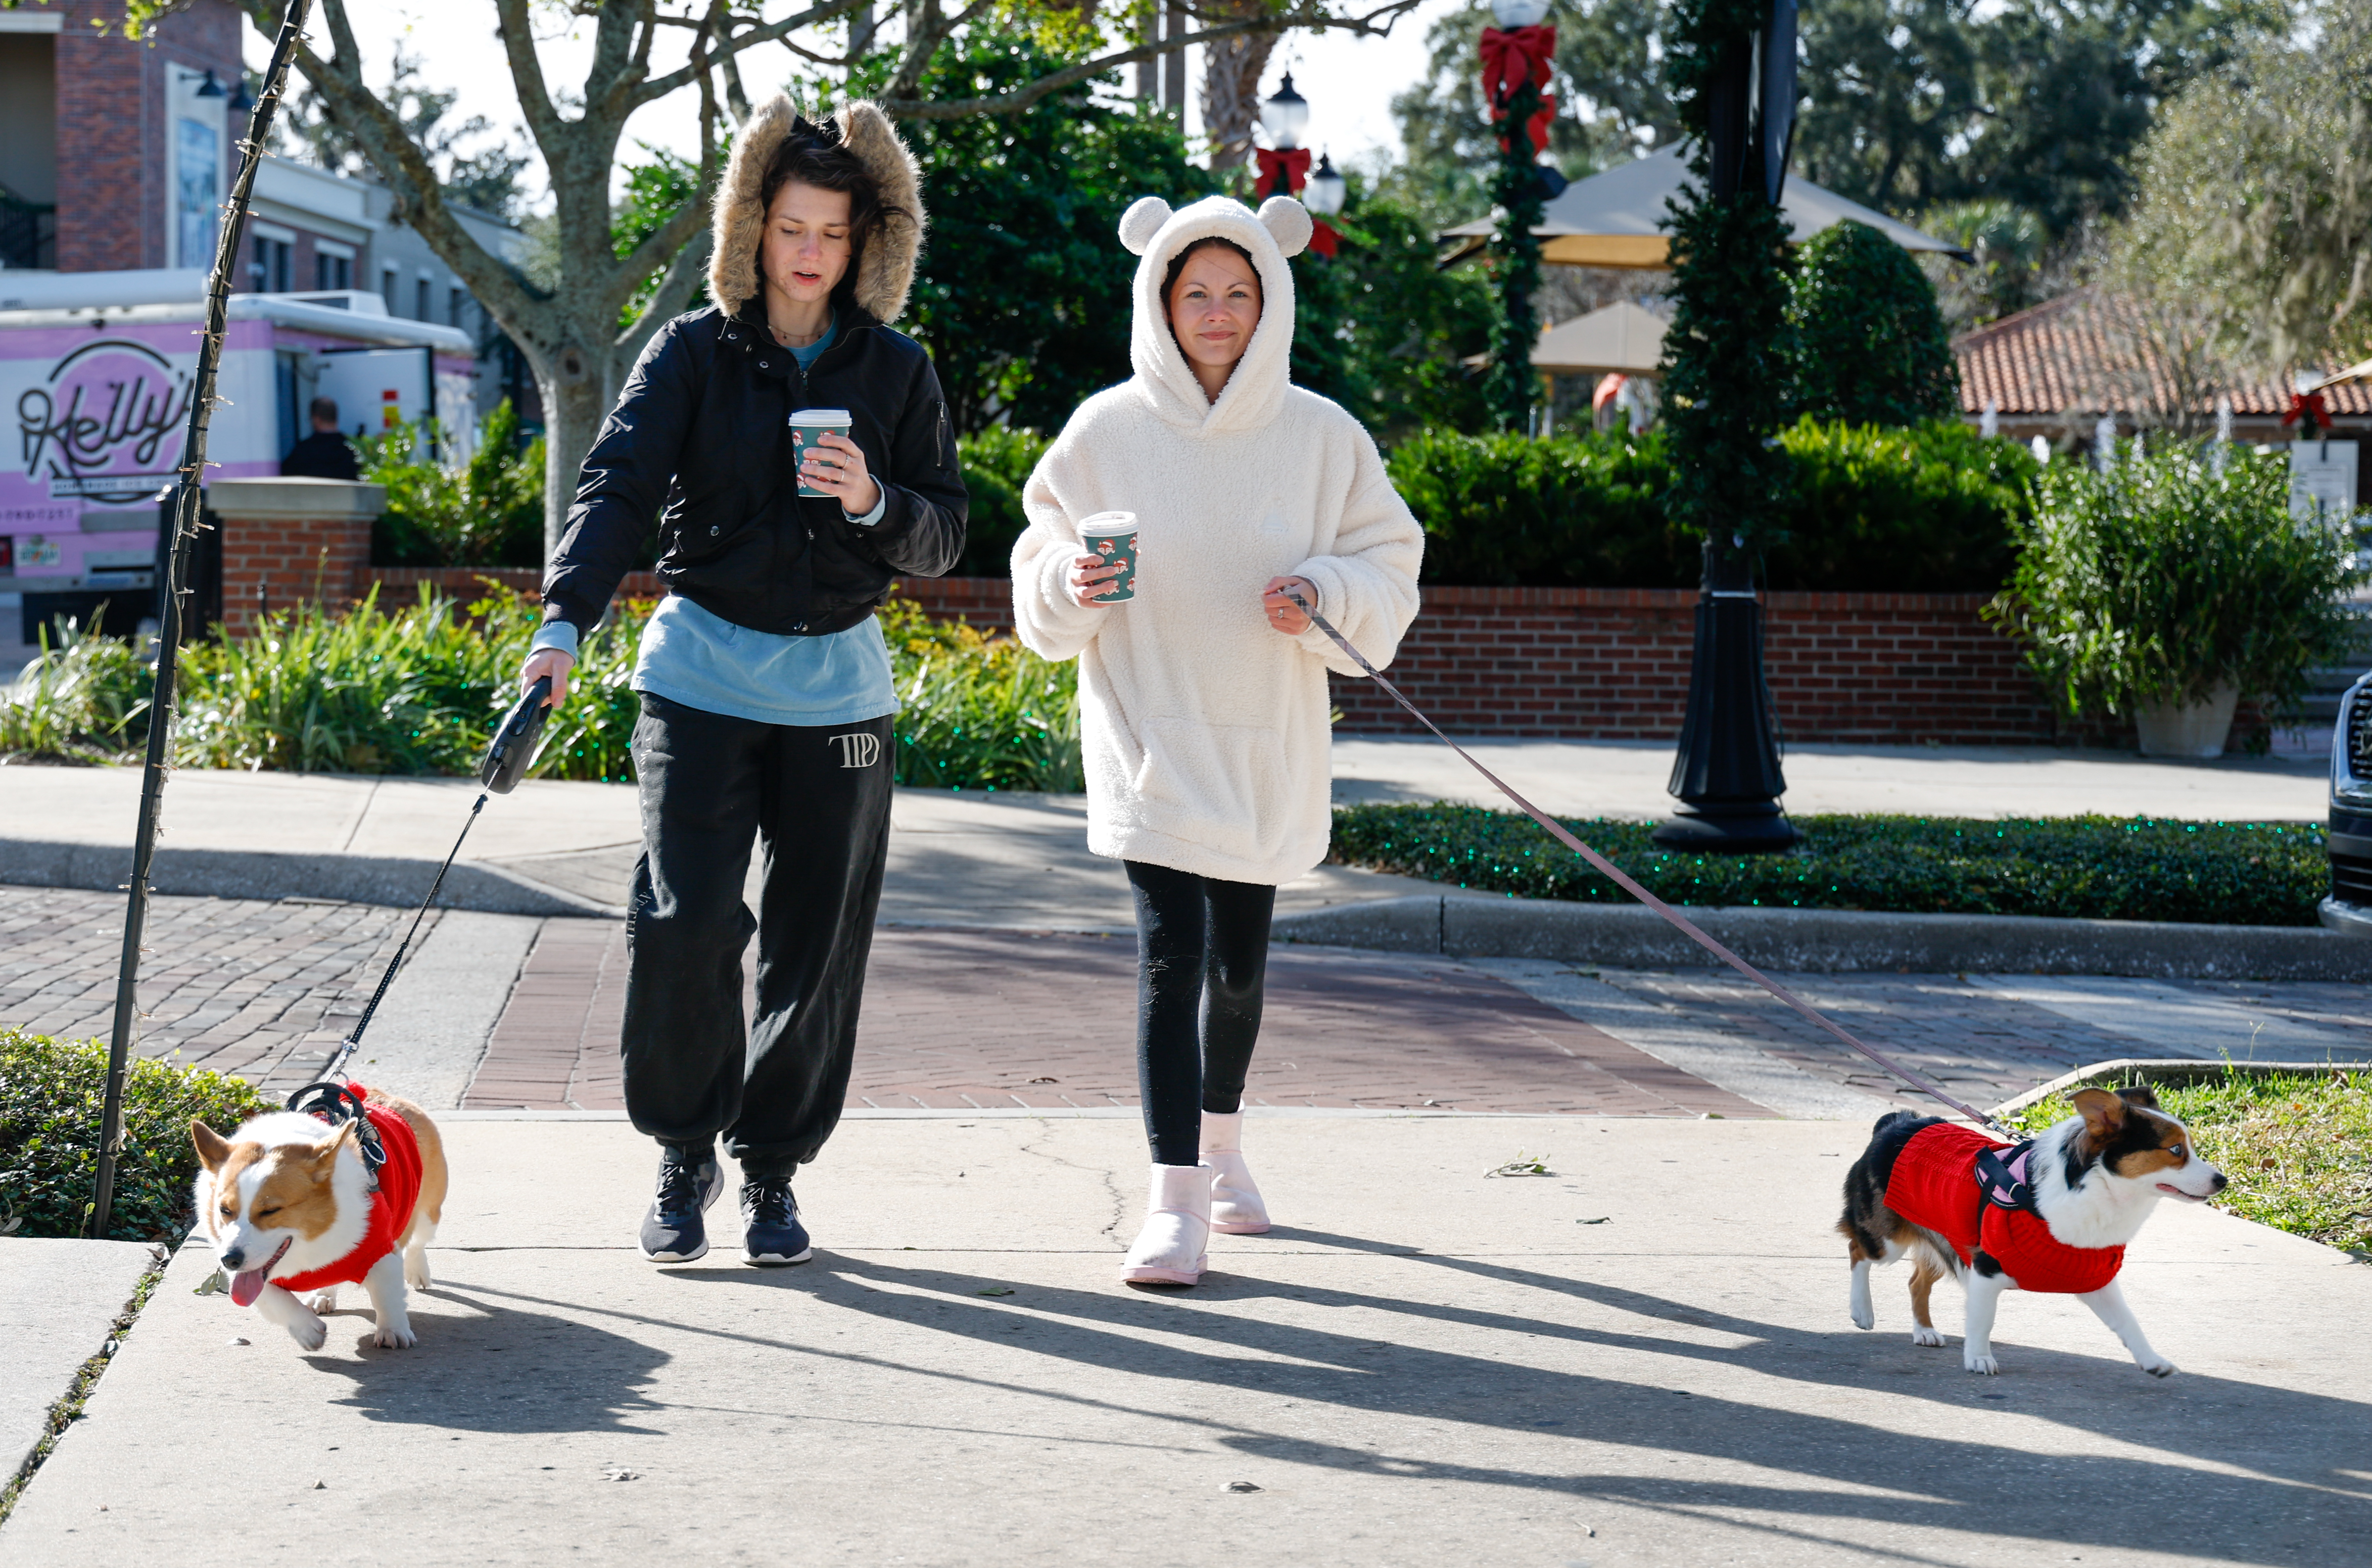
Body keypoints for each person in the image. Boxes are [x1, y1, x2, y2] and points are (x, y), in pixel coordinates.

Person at [517, 98, 966, 1267]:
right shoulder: (692, 354)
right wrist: (563, 623)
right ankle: (681, 1150)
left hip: (839, 699)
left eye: (830, 231)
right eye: (788, 227)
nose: (809, 252)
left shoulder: (897, 370)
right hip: (699, 679)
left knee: (812, 946)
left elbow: (943, 534)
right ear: (751, 232)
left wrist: (873, 500)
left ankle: (771, 1170)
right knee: (685, 920)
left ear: (866, 240)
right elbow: (615, 486)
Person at [1010, 195, 1423, 1287]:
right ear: (1157, 295)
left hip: (1264, 744)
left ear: (1269, 299)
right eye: (1194, 290)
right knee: (1169, 955)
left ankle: (1226, 1149)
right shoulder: (1103, 432)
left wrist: (1326, 588)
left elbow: (1389, 561)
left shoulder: (1322, 435)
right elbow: (1039, 560)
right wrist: (1070, 581)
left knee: (1237, 971)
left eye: (1238, 291)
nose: (1216, 311)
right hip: (1147, 731)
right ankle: (1172, 1202)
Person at [281, 397, 360, 480]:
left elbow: (286, 474)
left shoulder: (304, 450)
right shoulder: (353, 449)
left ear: (316, 419)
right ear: (335, 418)